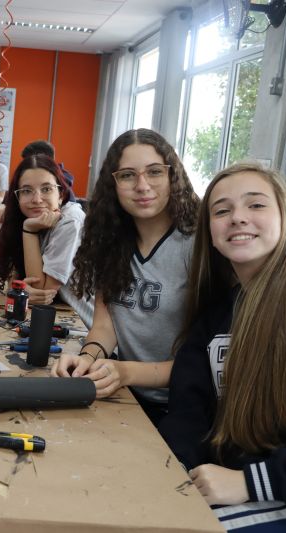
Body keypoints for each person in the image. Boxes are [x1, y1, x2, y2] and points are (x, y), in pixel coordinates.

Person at [159, 163, 286, 531]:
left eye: (256, 205)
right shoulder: (215, 316)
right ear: (210, 231)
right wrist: (172, 471)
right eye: (222, 211)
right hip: (245, 487)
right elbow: (187, 416)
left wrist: (251, 482)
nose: (238, 218)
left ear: (285, 217)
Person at [51, 128, 199, 426]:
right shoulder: (111, 241)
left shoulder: (198, 246)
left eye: (154, 172)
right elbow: (105, 325)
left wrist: (125, 372)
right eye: (128, 175)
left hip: (185, 406)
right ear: (113, 184)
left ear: (172, 175)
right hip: (130, 397)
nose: (142, 186)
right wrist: (87, 359)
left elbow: (203, 362)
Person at [0, 154, 93, 326]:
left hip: (84, 325)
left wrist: (29, 230)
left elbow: (40, 291)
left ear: (61, 194)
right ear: (17, 198)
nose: (37, 199)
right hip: (56, 314)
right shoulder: (31, 220)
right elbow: (16, 278)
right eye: (26, 191)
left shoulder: (71, 221)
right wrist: (18, 287)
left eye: (46, 189)